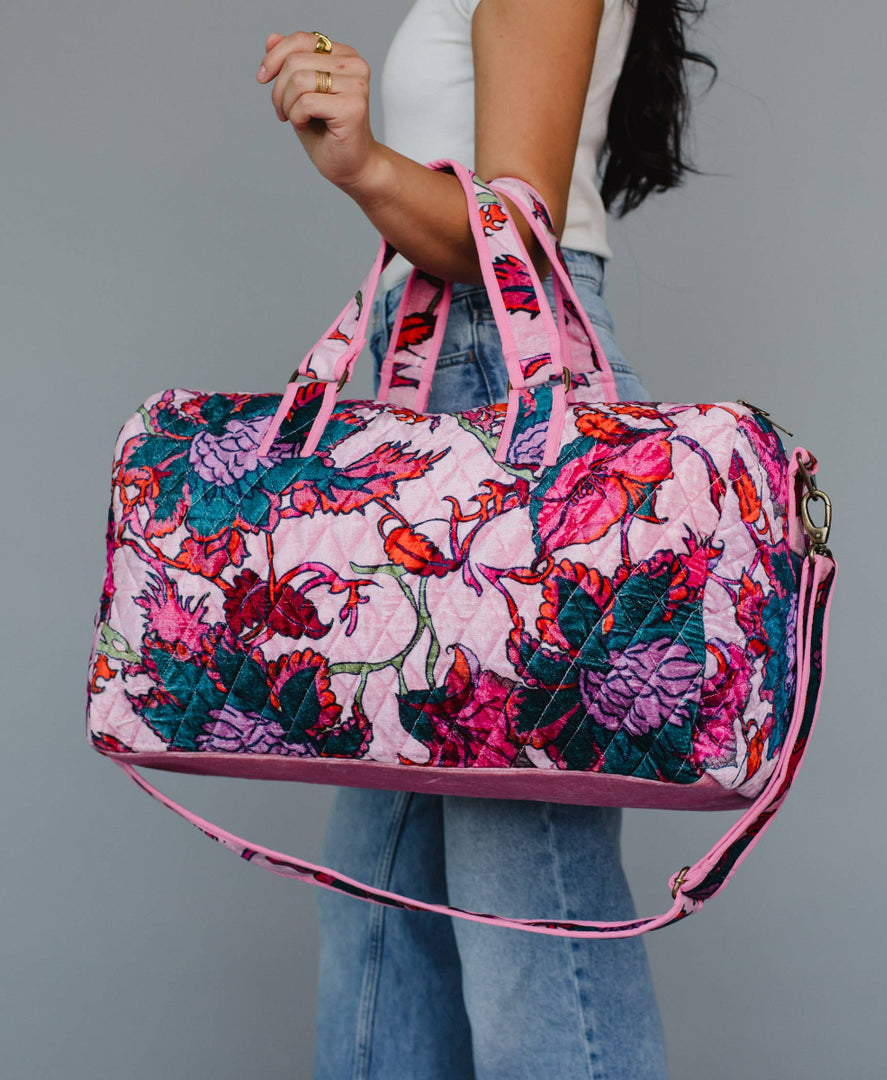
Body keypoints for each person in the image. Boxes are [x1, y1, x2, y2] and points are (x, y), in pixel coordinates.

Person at [254, 4, 714, 1077]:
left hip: (504, 392)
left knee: (530, 919)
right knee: (379, 922)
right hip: (447, 395)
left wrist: (363, 163)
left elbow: (508, 232)